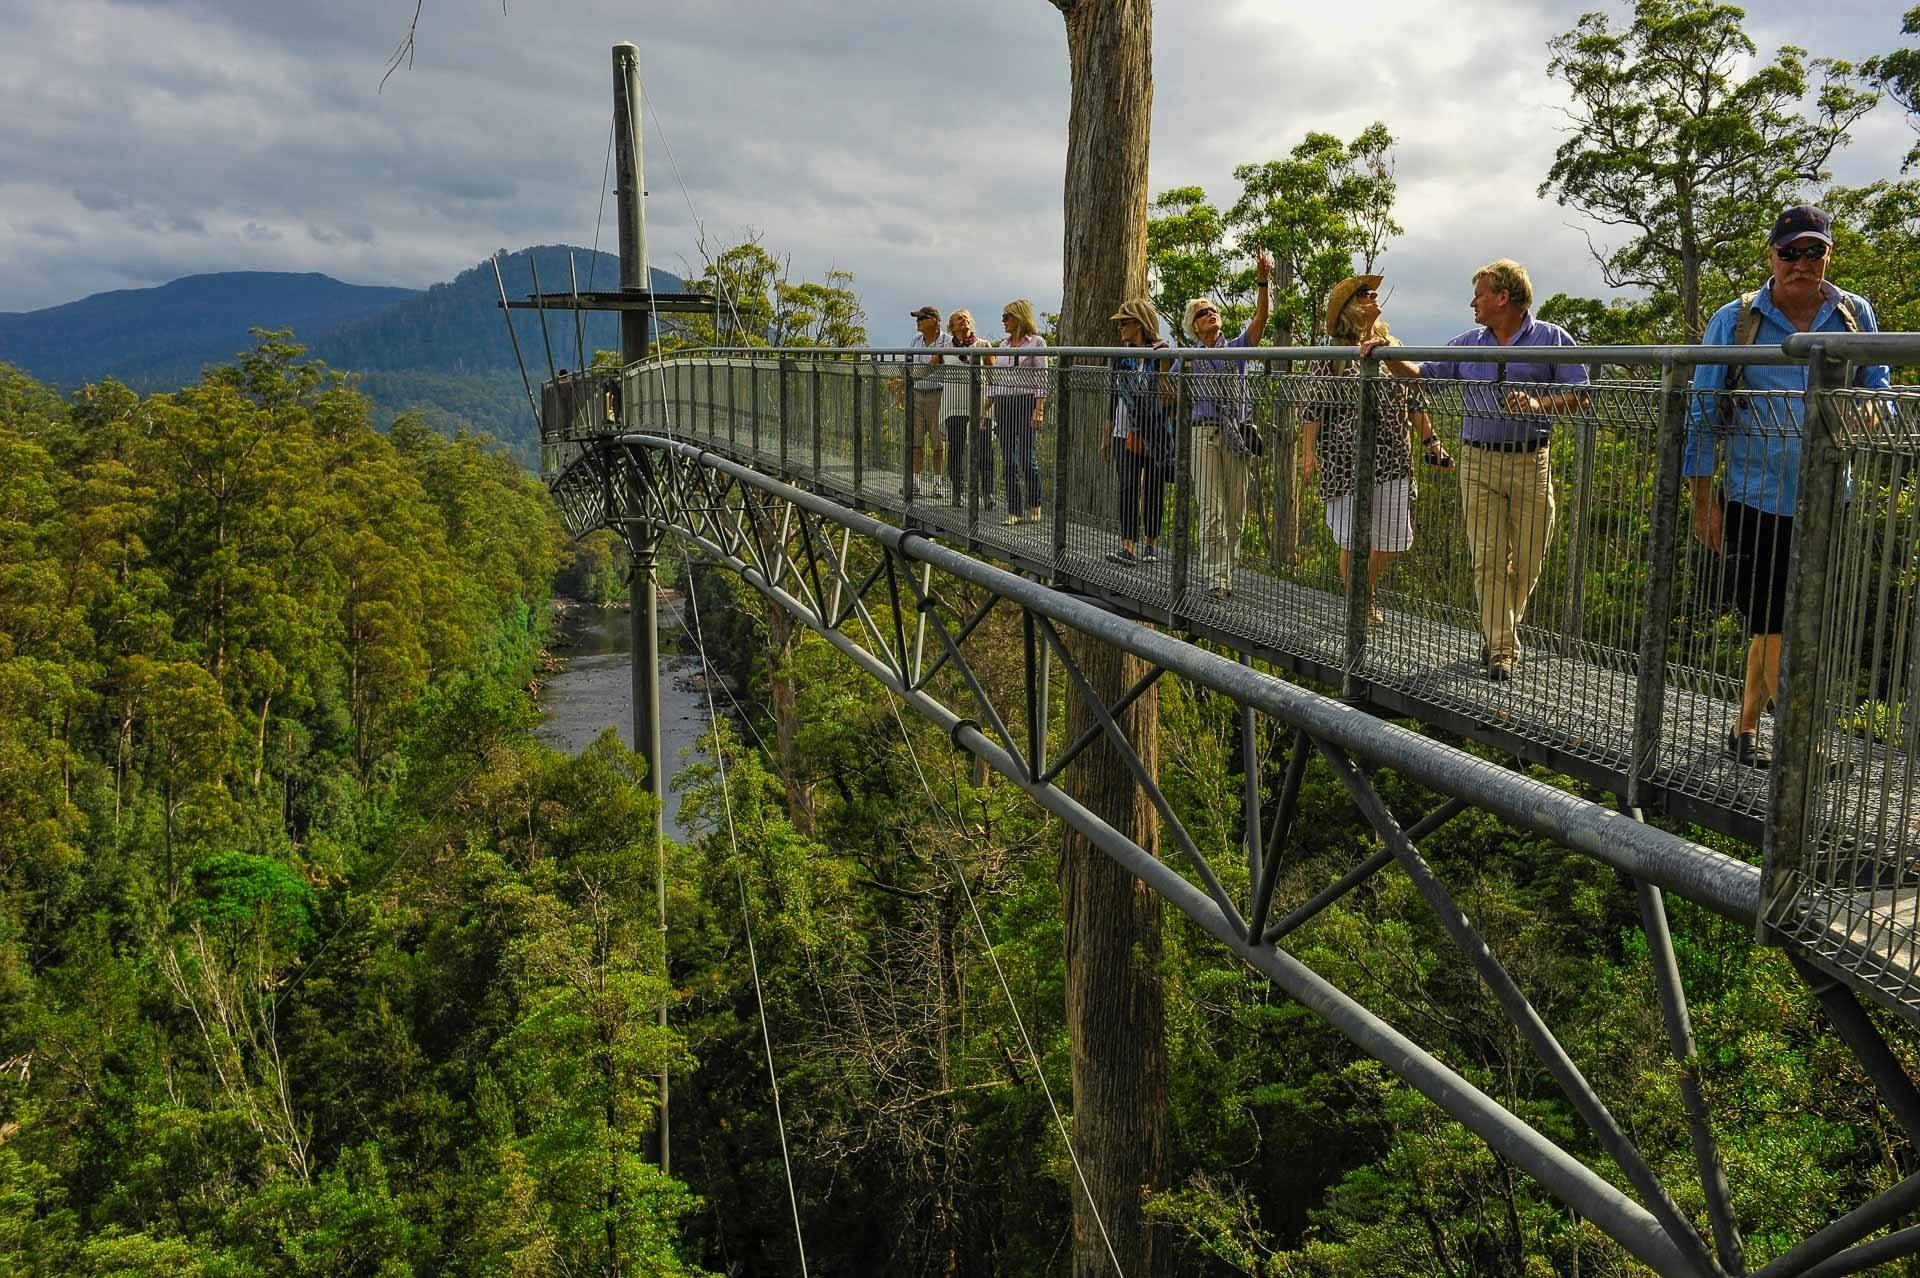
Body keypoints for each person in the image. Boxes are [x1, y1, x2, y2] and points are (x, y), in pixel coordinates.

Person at [1684, 203, 1891, 768]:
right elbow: (1703, 411)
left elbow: (1879, 387)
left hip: (1828, 496)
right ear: (1771, 256)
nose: (1801, 263)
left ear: (1829, 254)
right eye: (1790, 252)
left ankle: (1745, 727)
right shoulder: (1736, 319)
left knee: (1786, 622)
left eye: (1813, 251)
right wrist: (1704, 503)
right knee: (1777, 622)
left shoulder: (1854, 314)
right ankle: (1802, 742)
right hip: (1755, 496)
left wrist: (1866, 416)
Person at [1369, 259, 1587, 681]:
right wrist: (1385, 352)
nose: (1473, 302)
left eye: (1480, 294)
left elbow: (1581, 393)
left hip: (1531, 462)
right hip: (1479, 461)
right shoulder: (1466, 343)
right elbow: (1422, 376)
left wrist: (1540, 404)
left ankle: (1497, 630)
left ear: (1503, 297)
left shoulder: (1552, 339)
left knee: (1528, 560)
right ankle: (1502, 648)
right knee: (1486, 559)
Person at [1303, 274, 1451, 624]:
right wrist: (1309, 454)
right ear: (1353, 306)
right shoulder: (1333, 352)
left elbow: (1414, 399)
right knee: (1354, 538)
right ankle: (1362, 602)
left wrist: (1432, 441)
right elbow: (1312, 407)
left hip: (1393, 457)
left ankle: (1360, 591)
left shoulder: (1390, 344)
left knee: (1393, 537)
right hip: (1345, 460)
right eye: (1367, 294)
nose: (1375, 297)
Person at [1183, 249, 1274, 598]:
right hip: (1203, 433)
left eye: (1213, 311)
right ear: (1195, 326)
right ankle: (1215, 579)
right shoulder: (1188, 359)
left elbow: (1261, 322)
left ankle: (1227, 573)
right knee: (1211, 509)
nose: (1211, 315)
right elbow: (1167, 389)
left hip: (1237, 434)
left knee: (1235, 512)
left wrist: (1263, 282)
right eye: (1203, 314)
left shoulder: (1236, 349)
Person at [1102, 299, 1174, 565]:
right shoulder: (1122, 357)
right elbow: (1113, 395)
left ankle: (1151, 544)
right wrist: (1106, 433)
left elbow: (1168, 397)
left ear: (1140, 323)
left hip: (1153, 431)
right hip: (1123, 430)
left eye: (1125, 322)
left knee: (1154, 488)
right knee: (1128, 487)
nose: (1121, 327)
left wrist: (1164, 363)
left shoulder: (1160, 353)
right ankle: (1128, 546)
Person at [988, 299, 1049, 526]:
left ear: (1019, 318)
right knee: (1008, 461)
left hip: (1026, 403)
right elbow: (997, 379)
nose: (1003, 321)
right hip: (1004, 404)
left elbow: (1042, 378)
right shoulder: (1003, 344)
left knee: (1026, 458)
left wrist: (1039, 409)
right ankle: (1013, 510)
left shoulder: (1036, 343)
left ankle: (1035, 504)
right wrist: (987, 408)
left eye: (1007, 317)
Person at [935, 309, 994, 506]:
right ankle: (957, 492)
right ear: (951, 327)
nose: (964, 320)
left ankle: (987, 493)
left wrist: (990, 404)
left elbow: (994, 377)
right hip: (954, 406)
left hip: (979, 407)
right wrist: (904, 381)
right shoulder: (944, 349)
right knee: (956, 450)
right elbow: (927, 369)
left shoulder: (984, 346)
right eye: (959, 319)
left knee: (984, 450)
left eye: (967, 318)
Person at [905, 306, 949, 497]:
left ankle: (937, 484)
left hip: (939, 395)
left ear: (934, 320)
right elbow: (910, 368)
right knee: (916, 441)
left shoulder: (947, 342)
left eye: (922, 318)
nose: (918, 322)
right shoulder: (915, 341)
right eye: (917, 319)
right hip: (917, 394)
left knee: (938, 443)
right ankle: (915, 483)